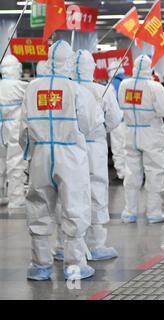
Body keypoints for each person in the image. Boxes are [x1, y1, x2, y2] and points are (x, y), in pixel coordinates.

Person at [19, 40, 103, 280]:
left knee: (39, 206)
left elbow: (23, 131)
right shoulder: (76, 90)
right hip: (70, 156)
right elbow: (87, 126)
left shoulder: (32, 88)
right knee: (74, 207)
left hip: (41, 156)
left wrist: (30, 153)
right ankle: (75, 264)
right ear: (69, 63)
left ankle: (40, 265)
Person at [67, 49, 123, 259]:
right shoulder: (103, 90)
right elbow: (115, 120)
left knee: (71, 192)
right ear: (92, 67)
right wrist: (101, 131)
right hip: (95, 147)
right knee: (97, 190)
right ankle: (96, 243)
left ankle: (68, 245)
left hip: (70, 147)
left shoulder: (67, 89)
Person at [119, 55, 164, 224]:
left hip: (130, 132)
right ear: (149, 68)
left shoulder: (124, 85)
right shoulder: (154, 87)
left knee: (131, 173)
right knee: (154, 172)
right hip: (150, 133)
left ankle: (130, 212)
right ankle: (154, 212)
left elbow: (121, 105)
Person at [0, 55, 28, 210]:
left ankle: (1, 195)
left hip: (1, 127)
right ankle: (16, 199)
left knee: (0, 163)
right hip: (15, 127)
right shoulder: (20, 86)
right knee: (15, 163)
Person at [107, 60, 128, 181]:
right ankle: (132, 174)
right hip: (130, 122)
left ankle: (122, 174)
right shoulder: (129, 81)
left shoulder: (112, 84)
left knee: (118, 149)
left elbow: (108, 104)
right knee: (129, 149)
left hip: (117, 123)